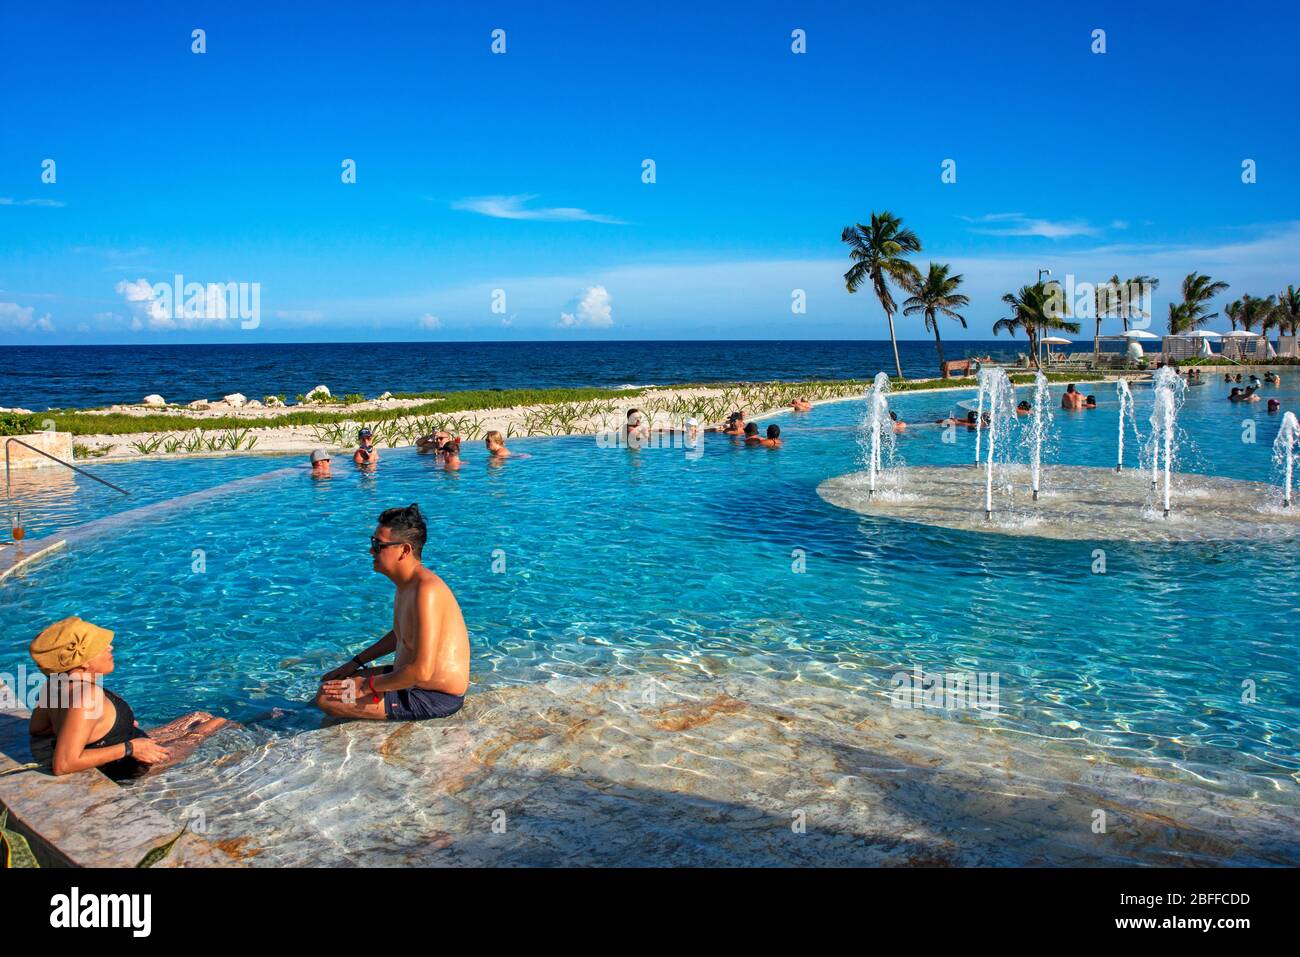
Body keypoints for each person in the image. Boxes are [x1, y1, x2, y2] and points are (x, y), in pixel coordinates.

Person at [316, 505, 470, 722]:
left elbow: (422, 672)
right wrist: (355, 662)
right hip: (411, 681)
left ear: (404, 550)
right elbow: (401, 634)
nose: (371, 551)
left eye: (378, 545)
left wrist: (366, 687)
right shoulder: (408, 585)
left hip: (434, 695)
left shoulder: (427, 591)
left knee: (327, 698)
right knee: (337, 683)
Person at [27, 617, 228, 779]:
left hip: (126, 743)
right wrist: (130, 747)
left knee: (199, 715)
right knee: (219, 724)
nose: (110, 648)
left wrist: (99, 729)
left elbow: (38, 729)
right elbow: (64, 764)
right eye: (100, 647)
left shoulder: (55, 685)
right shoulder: (86, 697)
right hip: (132, 764)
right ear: (83, 662)